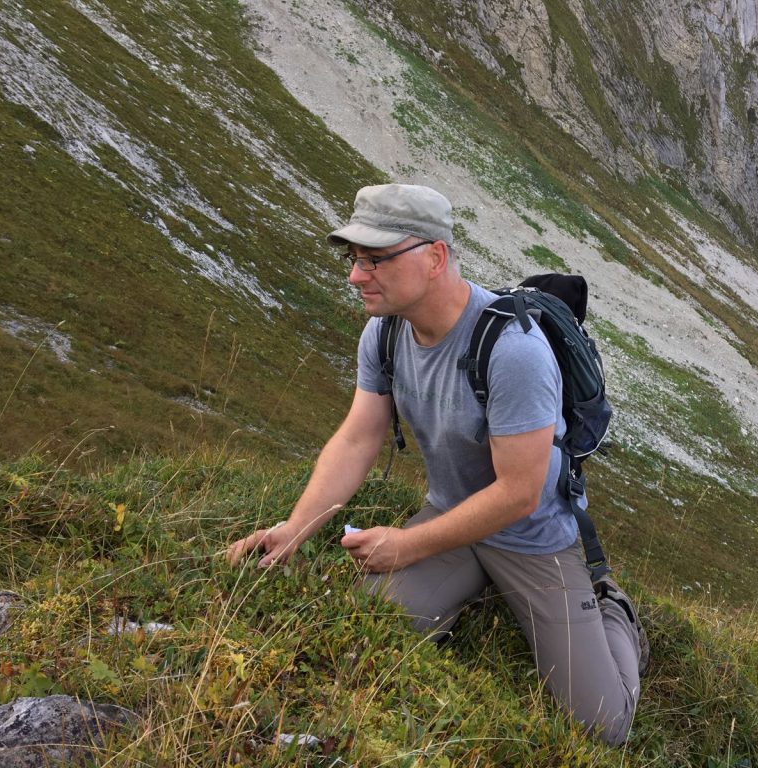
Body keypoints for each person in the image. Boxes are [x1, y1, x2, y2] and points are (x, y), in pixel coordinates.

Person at [226, 183, 647, 745]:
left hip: (532, 537)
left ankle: (613, 609)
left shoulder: (513, 349)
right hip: (453, 519)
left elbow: (520, 492)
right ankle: (467, 589)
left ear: (435, 257)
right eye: (353, 258)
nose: (356, 276)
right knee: (367, 631)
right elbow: (358, 438)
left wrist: (405, 547)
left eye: (375, 259)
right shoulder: (385, 332)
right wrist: (294, 529)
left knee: (601, 725)